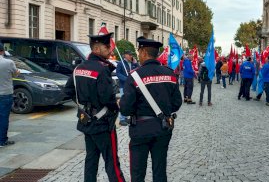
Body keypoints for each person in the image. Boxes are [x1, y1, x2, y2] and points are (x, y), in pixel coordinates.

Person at [64, 33, 126, 182]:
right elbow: (106, 98)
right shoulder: (101, 69)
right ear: (97, 49)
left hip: (87, 121)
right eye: (107, 47)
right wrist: (115, 104)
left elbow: (68, 90)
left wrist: (84, 104)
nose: (110, 50)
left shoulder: (79, 67)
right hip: (103, 124)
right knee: (111, 162)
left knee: (91, 160)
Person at [120, 36, 182, 182]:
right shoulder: (170, 74)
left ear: (143, 52)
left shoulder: (135, 75)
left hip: (140, 129)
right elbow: (177, 103)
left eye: (138, 51)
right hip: (163, 128)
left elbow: (126, 109)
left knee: (138, 173)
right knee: (160, 171)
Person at [0, 43, 19, 148]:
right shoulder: (8, 62)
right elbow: (15, 73)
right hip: (5, 94)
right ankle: (2, 141)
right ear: (2, 51)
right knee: (3, 118)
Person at [116, 50, 138, 126]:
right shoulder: (120, 63)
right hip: (123, 85)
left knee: (129, 101)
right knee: (123, 102)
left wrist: (136, 63)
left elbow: (138, 70)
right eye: (129, 55)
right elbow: (118, 73)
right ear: (125, 55)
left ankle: (125, 117)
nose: (130, 56)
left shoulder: (133, 63)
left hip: (131, 86)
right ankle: (121, 119)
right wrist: (126, 79)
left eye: (131, 55)